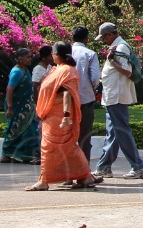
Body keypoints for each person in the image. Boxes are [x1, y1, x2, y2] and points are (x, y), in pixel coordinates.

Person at [26, 42, 98, 191]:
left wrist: (66, 115)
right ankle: (85, 176)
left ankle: (44, 180)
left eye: (53, 53)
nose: (52, 56)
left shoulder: (67, 71)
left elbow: (67, 94)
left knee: (49, 148)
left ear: (58, 55)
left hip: (59, 117)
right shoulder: (59, 69)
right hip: (52, 114)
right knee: (69, 148)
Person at [94, 22, 143, 179]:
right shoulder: (117, 46)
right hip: (112, 96)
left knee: (121, 132)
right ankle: (104, 167)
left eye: (104, 37)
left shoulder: (121, 47)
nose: (103, 41)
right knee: (113, 133)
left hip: (117, 95)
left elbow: (127, 70)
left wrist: (112, 61)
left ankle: (138, 167)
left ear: (110, 34)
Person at [2, 48, 40, 164]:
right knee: (15, 130)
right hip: (17, 107)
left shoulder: (25, 70)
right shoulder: (17, 72)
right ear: (20, 59)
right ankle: (7, 154)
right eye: (28, 57)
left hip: (26, 107)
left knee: (29, 130)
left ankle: (24, 155)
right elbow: (9, 89)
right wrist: (9, 107)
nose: (30, 59)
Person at [70, 26, 102, 163]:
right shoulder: (90, 54)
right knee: (84, 137)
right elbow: (95, 77)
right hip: (85, 99)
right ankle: (83, 172)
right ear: (86, 39)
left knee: (68, 137)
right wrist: (92, 87)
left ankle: (68, 174)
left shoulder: (65, 53)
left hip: (68, 100)